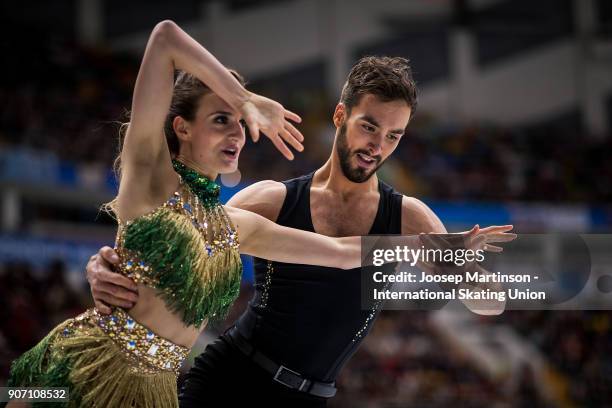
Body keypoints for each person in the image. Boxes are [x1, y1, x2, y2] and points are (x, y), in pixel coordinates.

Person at [4, 20, 485, 408]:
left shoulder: (235, 225)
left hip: (153, 393)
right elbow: (166, 37)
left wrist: (437, 254)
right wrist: (246, 100)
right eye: (221, 119)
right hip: (85, 367)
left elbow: (342, 254)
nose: (238, 133)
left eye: (395, 135)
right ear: (181, 127)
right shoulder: (157, 178)